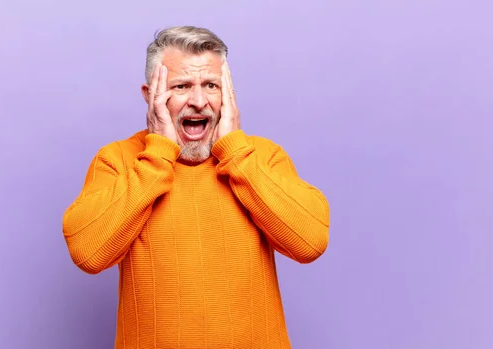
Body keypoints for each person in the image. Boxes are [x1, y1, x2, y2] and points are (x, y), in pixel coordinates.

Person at [62, 25, 330, 349]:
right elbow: (88, 252)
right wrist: (159, 155)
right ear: (151, 97)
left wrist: (235, 153)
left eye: (211, 85)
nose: (199, 101)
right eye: (182, 85)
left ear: (228, 95)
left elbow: (310, 242)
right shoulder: (119, 160)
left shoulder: (260, 157)